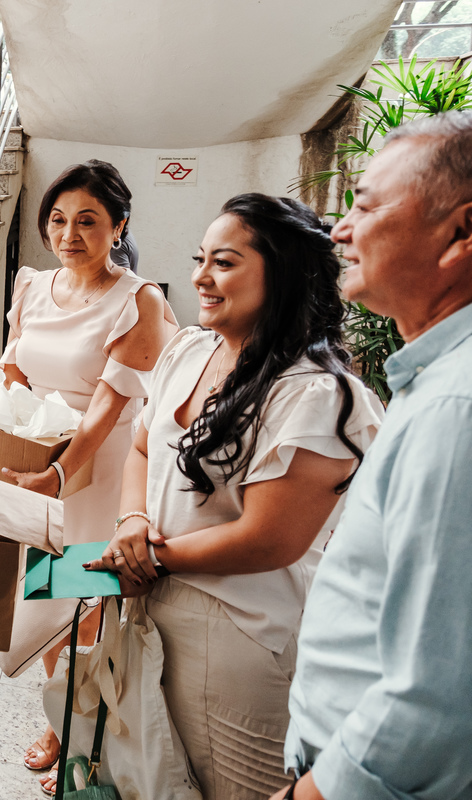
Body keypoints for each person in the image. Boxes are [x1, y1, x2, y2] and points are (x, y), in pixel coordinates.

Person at [85, 194, 383, 799]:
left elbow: (270, 538)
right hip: (154, 607)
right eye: (201, 259)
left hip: (237, 638)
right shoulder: (189, 350)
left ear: (284, 275)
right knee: (152, 778)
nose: (200, 276)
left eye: (223, 262)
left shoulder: (317, 395)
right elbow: (143, 448)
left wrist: (150, 558)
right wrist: (132, 522)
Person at [275, 113, 472, 800]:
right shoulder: (435, 382)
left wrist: (315, 794)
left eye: (365, 204)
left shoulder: (458, 408)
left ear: (461, 233)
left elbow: (440, 688)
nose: (341, 229)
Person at [0, 160, 177, 783]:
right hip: (34, 465)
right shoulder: (31, 286)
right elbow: (12, 372)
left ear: (119, 226)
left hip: (93, 476)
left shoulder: (139, 300)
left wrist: (58, 475)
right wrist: (8, 447)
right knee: (47, 600)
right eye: (58, 219)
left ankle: (82, 735)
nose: (68, 233)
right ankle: (63, 716)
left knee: (86, 607)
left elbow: (106, 409)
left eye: (88, 221)